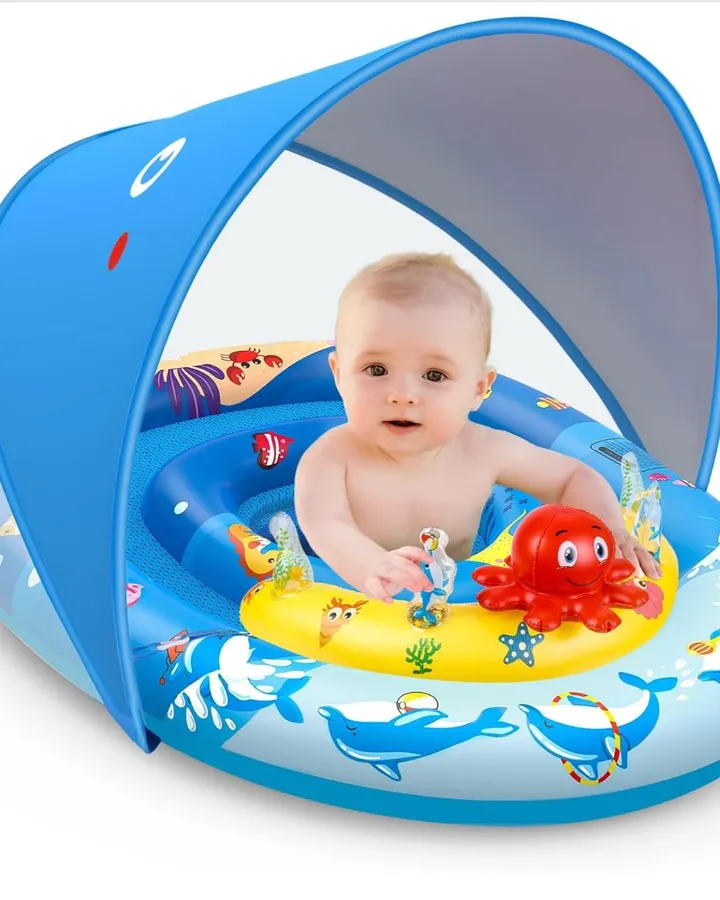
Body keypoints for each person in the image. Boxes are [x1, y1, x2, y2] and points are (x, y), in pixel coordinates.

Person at [294, 252, 662, 604]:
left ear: (479, 389)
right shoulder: (330, 457)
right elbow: (326, 524)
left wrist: (609, 528)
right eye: (376, 370)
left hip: (459, 605)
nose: (402, 395)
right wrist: (372, 565)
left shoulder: (484, 450)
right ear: (338, 374)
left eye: (434, 375)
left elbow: (572, 476)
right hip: (350, 602)